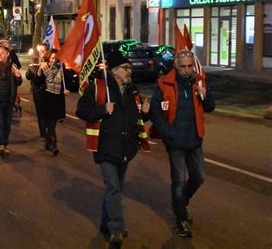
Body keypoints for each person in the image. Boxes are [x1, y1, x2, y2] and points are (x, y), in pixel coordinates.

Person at [76, 50, 150, 246]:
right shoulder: (99, 87)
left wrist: (146, 113)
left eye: (130, 68)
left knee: (114, 189)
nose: (129, 72)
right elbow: (81, 110)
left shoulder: (132, 91)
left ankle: (105, 224)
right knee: (113, 187)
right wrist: (103, 109)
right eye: (126, 68)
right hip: (106, 148)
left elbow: (136, 118)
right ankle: (116, 229)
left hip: (125, 149)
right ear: (115, 70)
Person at [150, 50, 215, 238]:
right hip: (175, 142)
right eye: (183, 66)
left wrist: (205, 94)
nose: (187, 70)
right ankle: (181, 220)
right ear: (176, 67)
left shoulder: (198, 82)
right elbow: (155, 111)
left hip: (194, 140)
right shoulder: (164, 84)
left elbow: (210, 107)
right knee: (178, 181)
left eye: (189, 66)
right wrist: (168, 134)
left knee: (199, 177)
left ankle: (180, 204)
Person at [36, 49, 66, 156]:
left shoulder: (61, 69)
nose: (54, 60)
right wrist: (38, 73)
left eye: (56, 58)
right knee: (50, 123)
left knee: (52, 124)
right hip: (46, 99)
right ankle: (53, 145)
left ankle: (51, 144)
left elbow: (64, 83)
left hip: (56, 100)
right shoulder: (44, 68)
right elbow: (37, 83)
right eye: (52, 58)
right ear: (49, 58)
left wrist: (65, 90)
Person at [25, 44, 49, 142]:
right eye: (40, 51)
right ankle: (43, 133)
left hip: (47, 91)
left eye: (43, 51)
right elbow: (28, 76)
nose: (41, 53)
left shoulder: (49, 62)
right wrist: (31, 71)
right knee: (40, 113)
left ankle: (49, 130)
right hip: (37, 91)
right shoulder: (35, 61)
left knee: (48, 112)